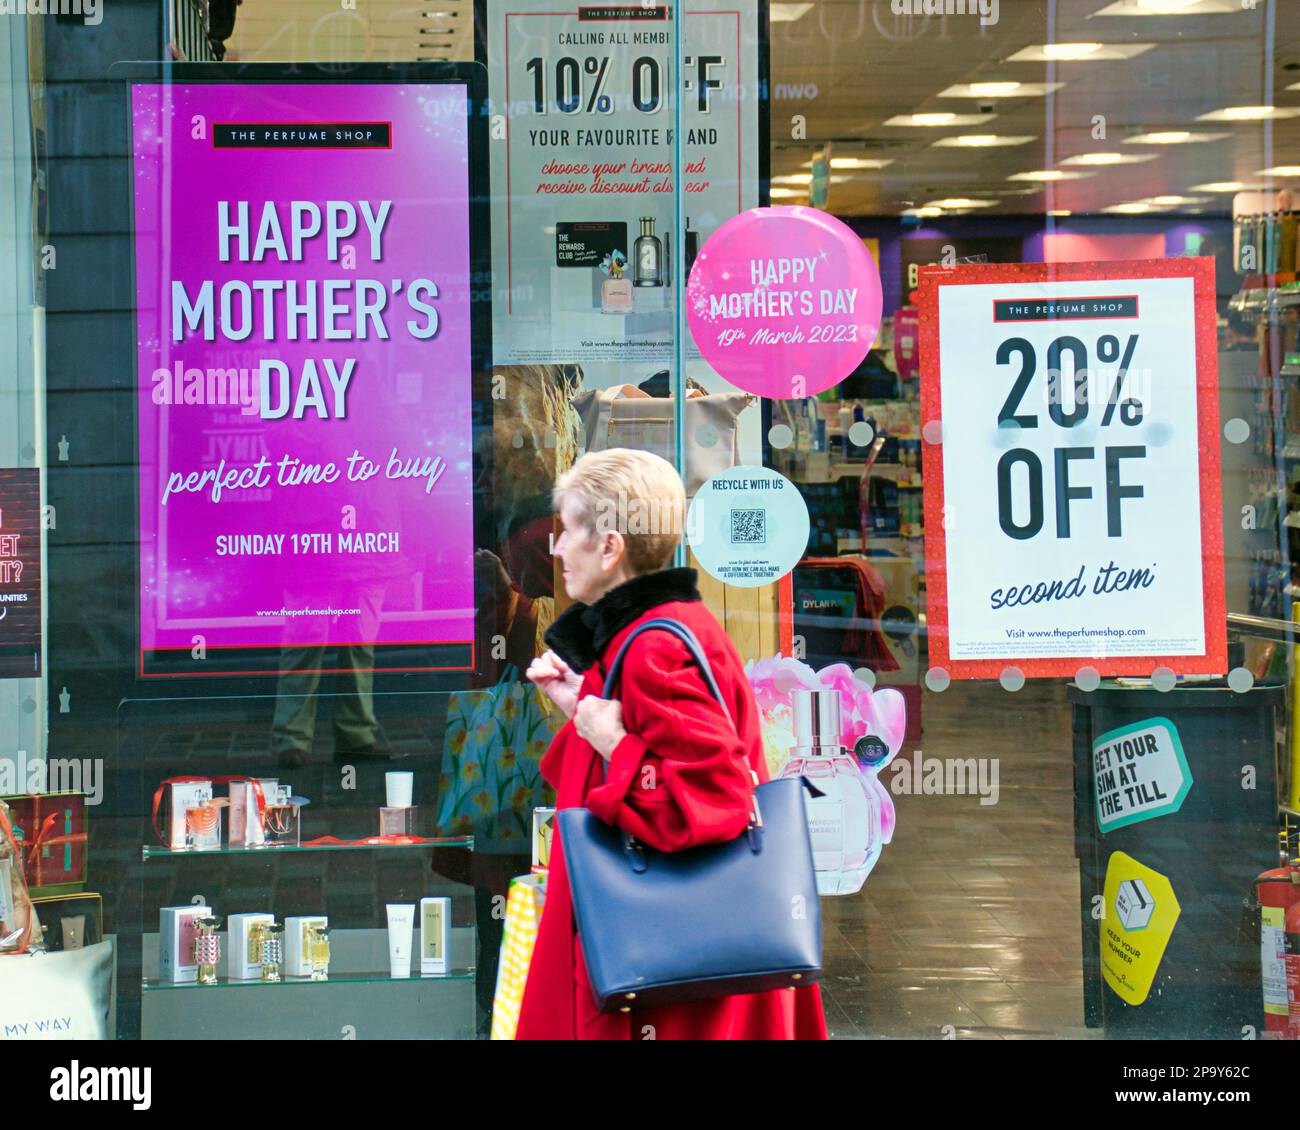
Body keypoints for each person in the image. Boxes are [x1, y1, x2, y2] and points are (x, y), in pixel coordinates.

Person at [516, 448, 827, 1040]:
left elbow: (716, 794)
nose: (554, 549)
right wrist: (583, 704)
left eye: (564, 531)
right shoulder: (664, 627)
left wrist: (613, 741)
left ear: (609, 548)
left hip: (666, 986)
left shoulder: (654, 645)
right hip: (682, 955)